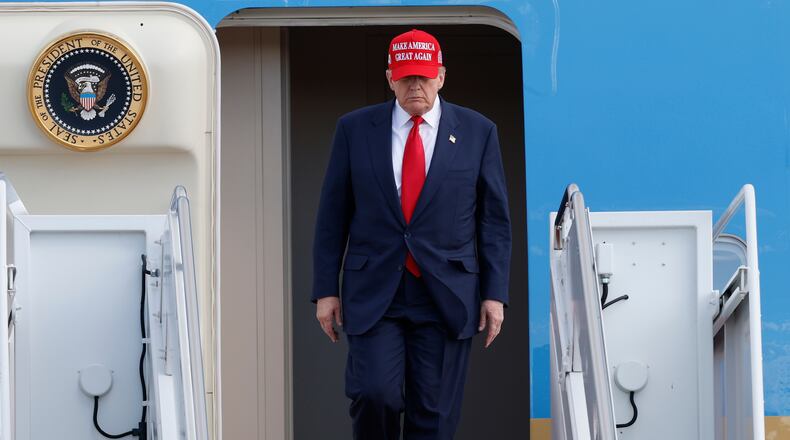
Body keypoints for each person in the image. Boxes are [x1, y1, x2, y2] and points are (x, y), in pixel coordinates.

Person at [311, 28, 512, 440]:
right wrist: (325, 290)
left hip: (447, 291)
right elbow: (333, 214)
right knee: (375, 394)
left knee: (434, 414)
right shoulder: (354, 129)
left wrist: (495, 294)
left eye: (423, 75)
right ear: (390, 77)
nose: (414, 84)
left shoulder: (477, 132)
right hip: (375, 290)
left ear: (441, 75)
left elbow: (493, 220)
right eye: (405, 77)